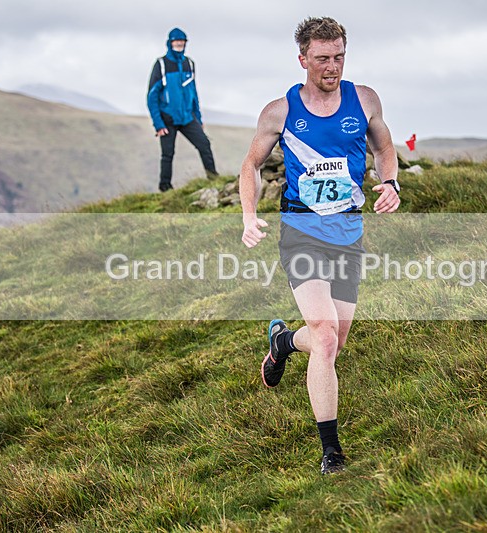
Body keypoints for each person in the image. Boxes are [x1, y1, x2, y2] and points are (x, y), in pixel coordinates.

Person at [239, 17, 401, 474]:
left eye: (339, 57)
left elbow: (384, 147)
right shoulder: (281, 111)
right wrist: (249, 216)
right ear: (303, 59)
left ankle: (284, 342)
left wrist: (390, 182)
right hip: (302, 232)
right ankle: (331, 453)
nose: (332, 67)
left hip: (348, 236)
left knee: (334, 341)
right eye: (322, 58)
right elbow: (250, 166)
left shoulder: (364, 100)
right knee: (327, 338)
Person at [147, 27, 218, 192]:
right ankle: (165, 187)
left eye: (182, 41)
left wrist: (198, 119)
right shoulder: (161, 65)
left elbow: (194, 93)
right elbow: (152, 97)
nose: (179, 43)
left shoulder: (189, 64)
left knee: (204, 144)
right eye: (176, 41)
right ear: (170, 42)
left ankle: (213, 178)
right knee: (168, 154)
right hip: (167, 119)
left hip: (187, 117)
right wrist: (158, 124)